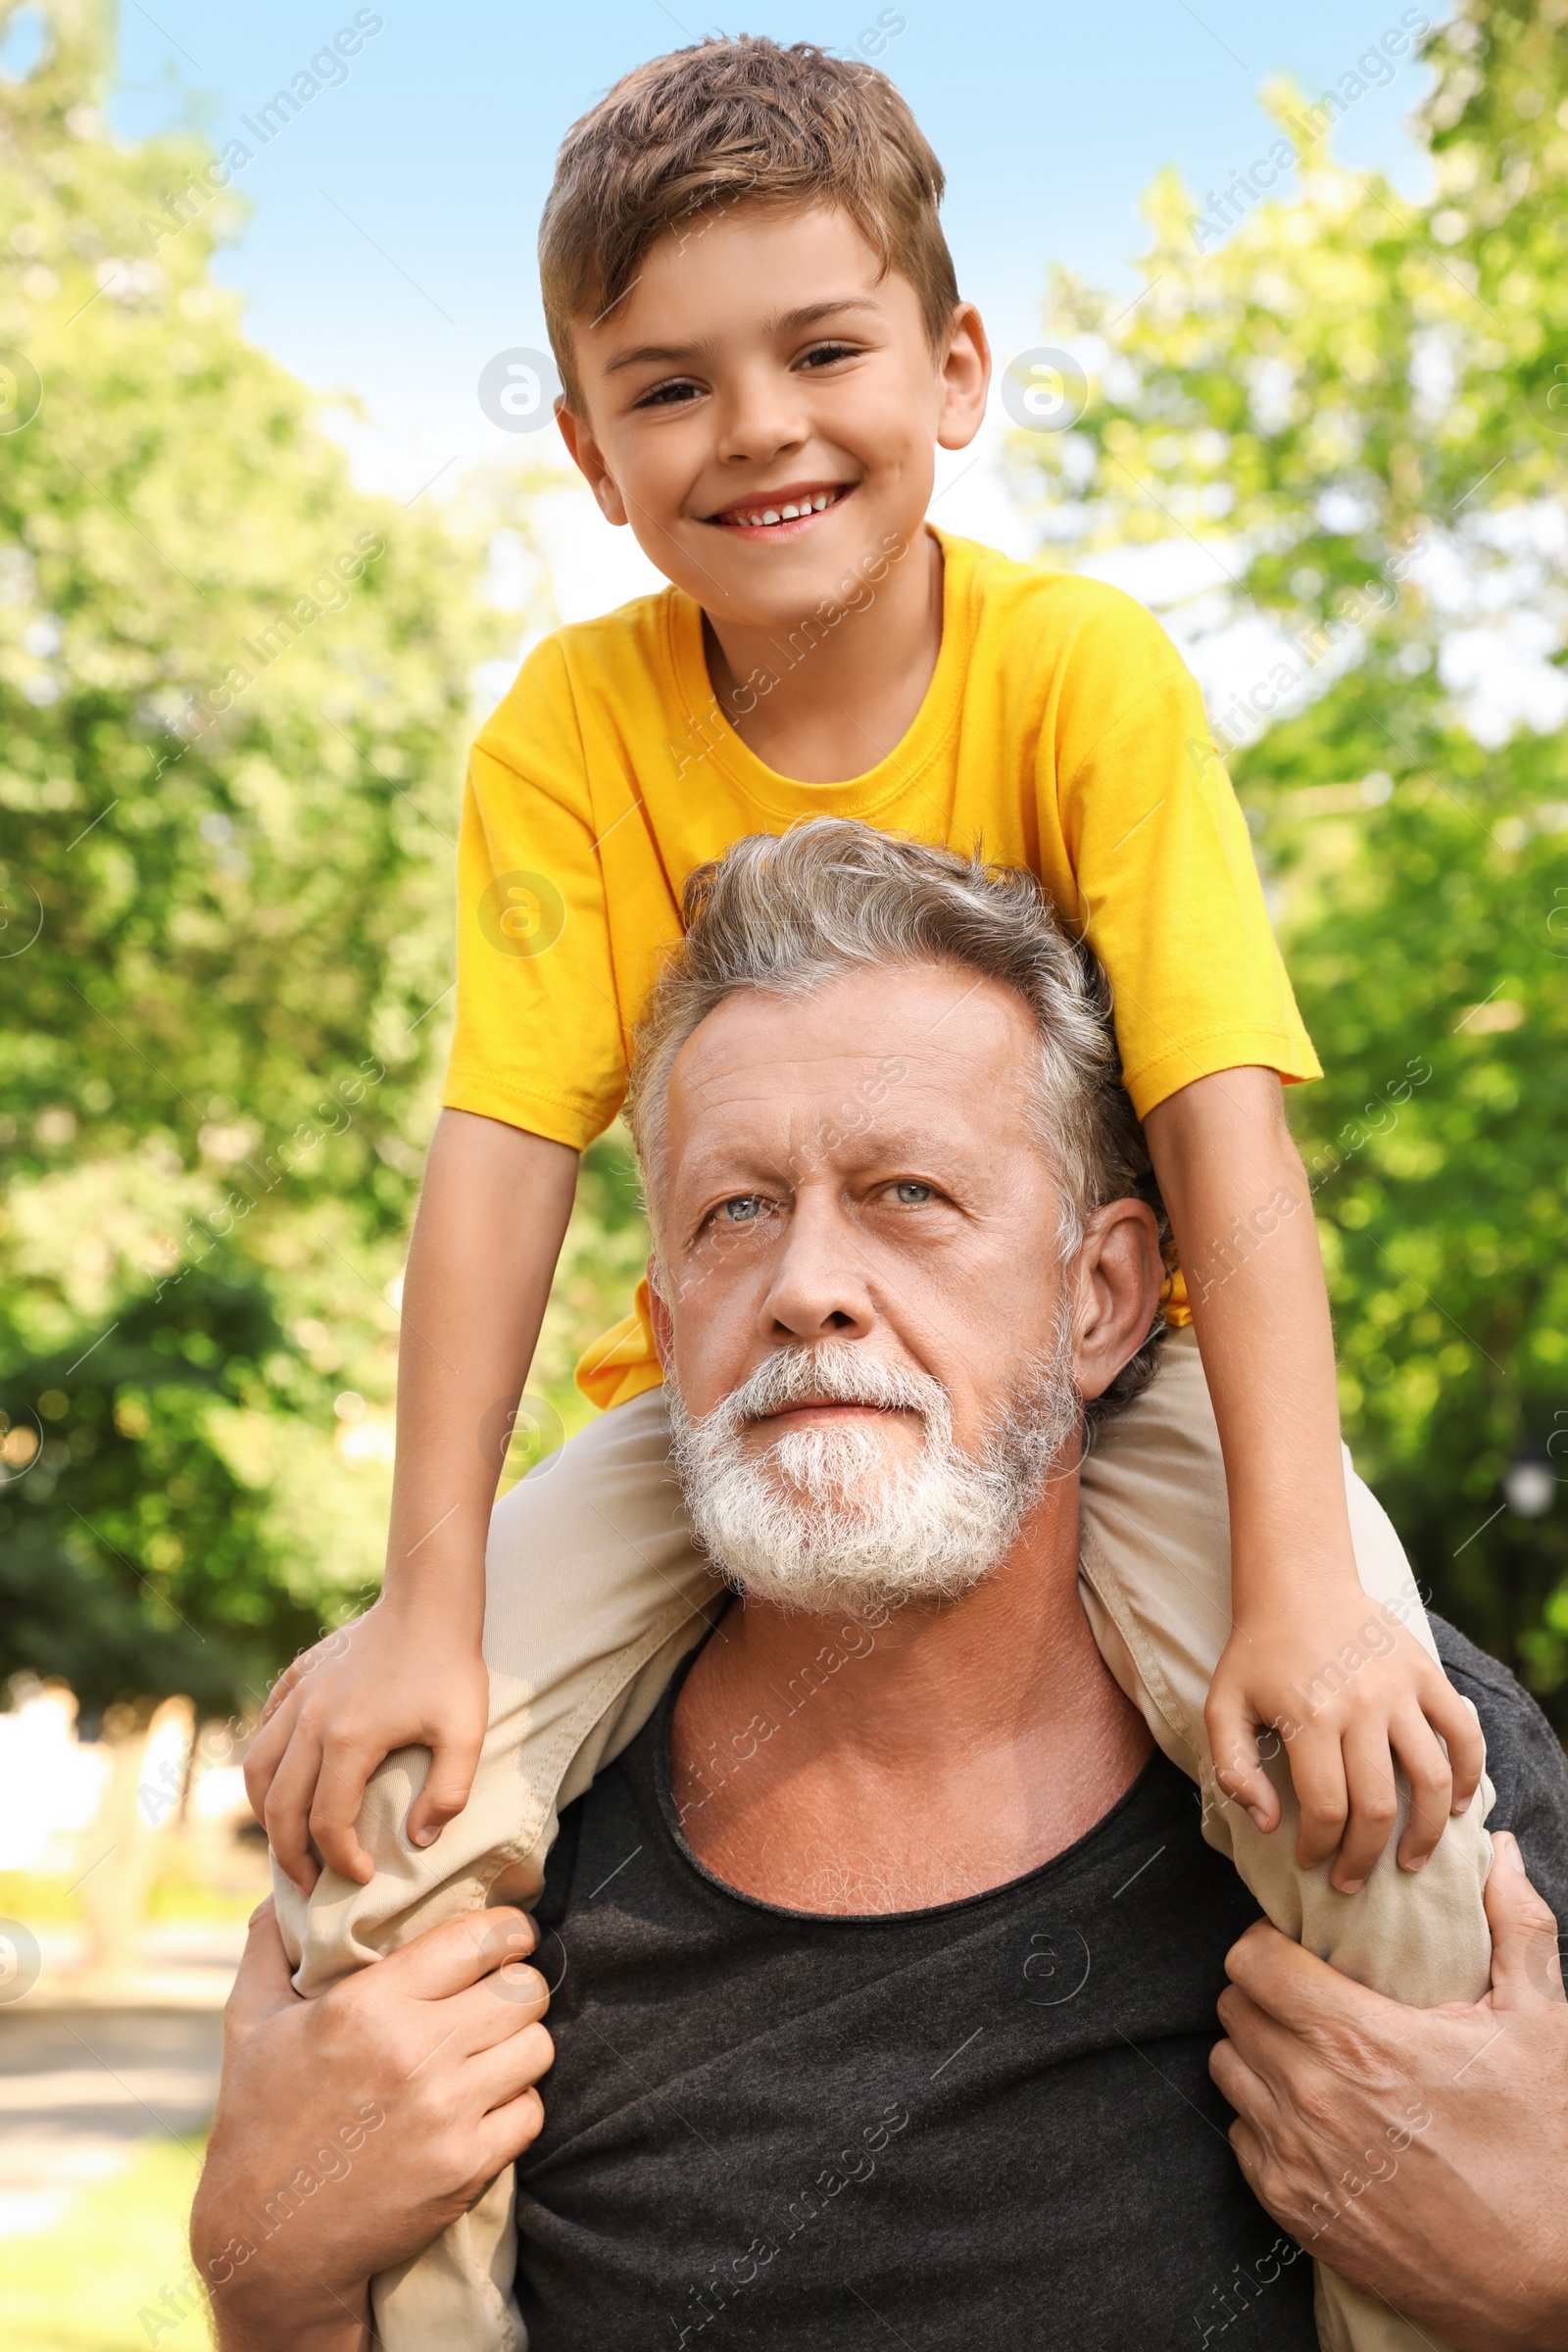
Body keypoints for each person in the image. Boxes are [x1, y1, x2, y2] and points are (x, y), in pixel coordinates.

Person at [245, 34, 1492, 2347]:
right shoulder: (568, 728)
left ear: (953, 367)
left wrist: (1303, 1581)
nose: (760, 431)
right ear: (593, 455)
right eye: (670, 385)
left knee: (1370, 1781)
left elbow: (1223, 1121)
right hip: (723, 1415)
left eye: (820, 350)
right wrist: (421, 1599)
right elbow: (503, 1158)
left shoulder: (1078, 675)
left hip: (1139, 1379)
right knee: (401, 1811)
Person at [196, 828, 1568, 2352]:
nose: (807, 1284)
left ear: (1103, 1297)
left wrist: (1540, 2285)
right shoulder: (482, 1859)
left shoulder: (1417, 1766)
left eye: (908, 1192)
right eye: (737, 1212)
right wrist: (274, 2295)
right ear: (666, 1324)